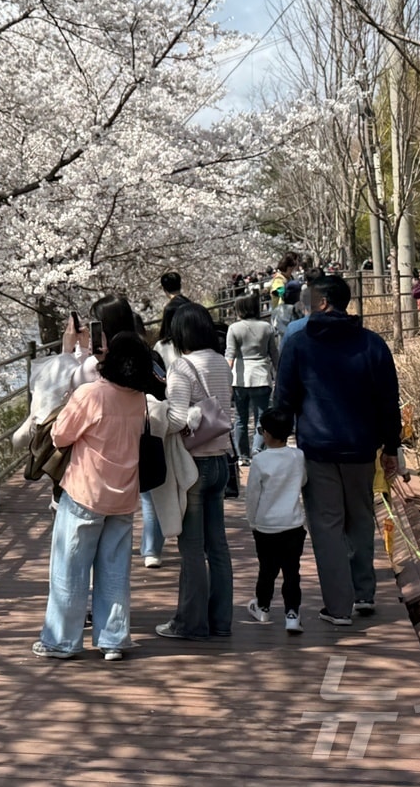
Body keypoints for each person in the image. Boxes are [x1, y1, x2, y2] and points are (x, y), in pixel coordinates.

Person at [274, 273, 400, 628]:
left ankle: (339, 606)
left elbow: (284, 399)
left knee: (326, 525)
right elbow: (389, 401)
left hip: (317, 447)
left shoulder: (298, 345)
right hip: (362, 446)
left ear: (324, 303)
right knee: (360, 518)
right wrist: (391, 446)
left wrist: (276, 443)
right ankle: (363, 592)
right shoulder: (372, 344)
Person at [33, 332, 159, 662]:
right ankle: (113, 639)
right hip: (124, 494)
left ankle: (62, 640)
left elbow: (60, 435)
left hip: (85, 492)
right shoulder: (137, 398)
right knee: (115, 571)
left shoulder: (91, 394)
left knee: (70, 569)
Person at [156, 302, 235, 641]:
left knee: (191, 548)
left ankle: (189, 622)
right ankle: (221, 620)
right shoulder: (220, 362)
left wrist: (155, 413)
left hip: (193, 465)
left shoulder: (181, 367)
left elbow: (175, 419)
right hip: (221, 460)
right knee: (217, 546)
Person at [243, 406, 306, 635]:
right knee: (292, 571)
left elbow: (252, 495)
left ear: (266, 433)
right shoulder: (298, 456)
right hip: (293, 523)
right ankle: (292, 614)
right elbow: (304, 480)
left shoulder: (260, 460)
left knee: (267, 570)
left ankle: (262, 607)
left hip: (266, 526)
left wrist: (252, 520)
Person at [225, 294, 278, 465]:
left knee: (240, 418)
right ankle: (258, 448)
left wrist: (226, 379)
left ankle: (243, 456)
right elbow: (274, 354)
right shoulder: (266, 327)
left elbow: (230, 356)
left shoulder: (234, 328)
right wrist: (279, 373)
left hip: (240, 377)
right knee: (261, 417)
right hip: (261, 375)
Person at [157, 271, 192, 343]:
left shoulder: (170, 308)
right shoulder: (190, 304)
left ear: (164, 290)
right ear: (180, 286)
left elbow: (165, 335)